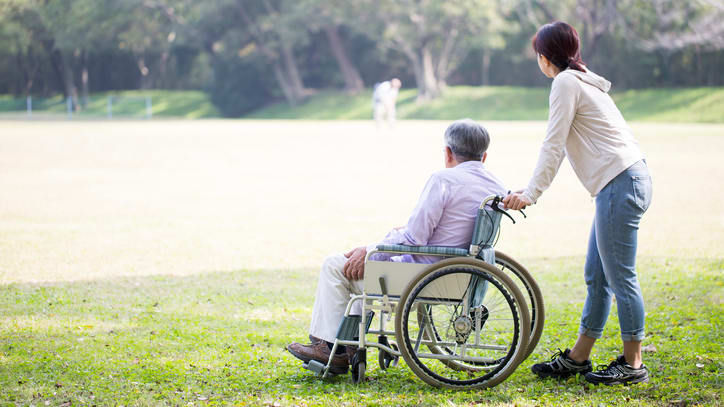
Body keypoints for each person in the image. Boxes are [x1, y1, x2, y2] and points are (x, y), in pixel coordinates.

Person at [287, 119, 507, 373]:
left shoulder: (444, 180)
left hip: (421, 276)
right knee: (364, 268)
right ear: (484, 156)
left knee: (336, 265)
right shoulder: (496, 186)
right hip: (460, 274)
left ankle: (329, 348)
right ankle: (344, 347)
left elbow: (415, 239)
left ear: (447, 152)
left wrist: (371, 248)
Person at [503, 21, 653, 386]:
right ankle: (578, 357)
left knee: (620, 279)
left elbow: (552, 144)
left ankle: (633, 365)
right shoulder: (584, 80)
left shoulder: (566, 82)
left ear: (544, 56)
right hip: (622, 183)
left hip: (620, 184)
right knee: (597, 276)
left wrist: (530, 193)